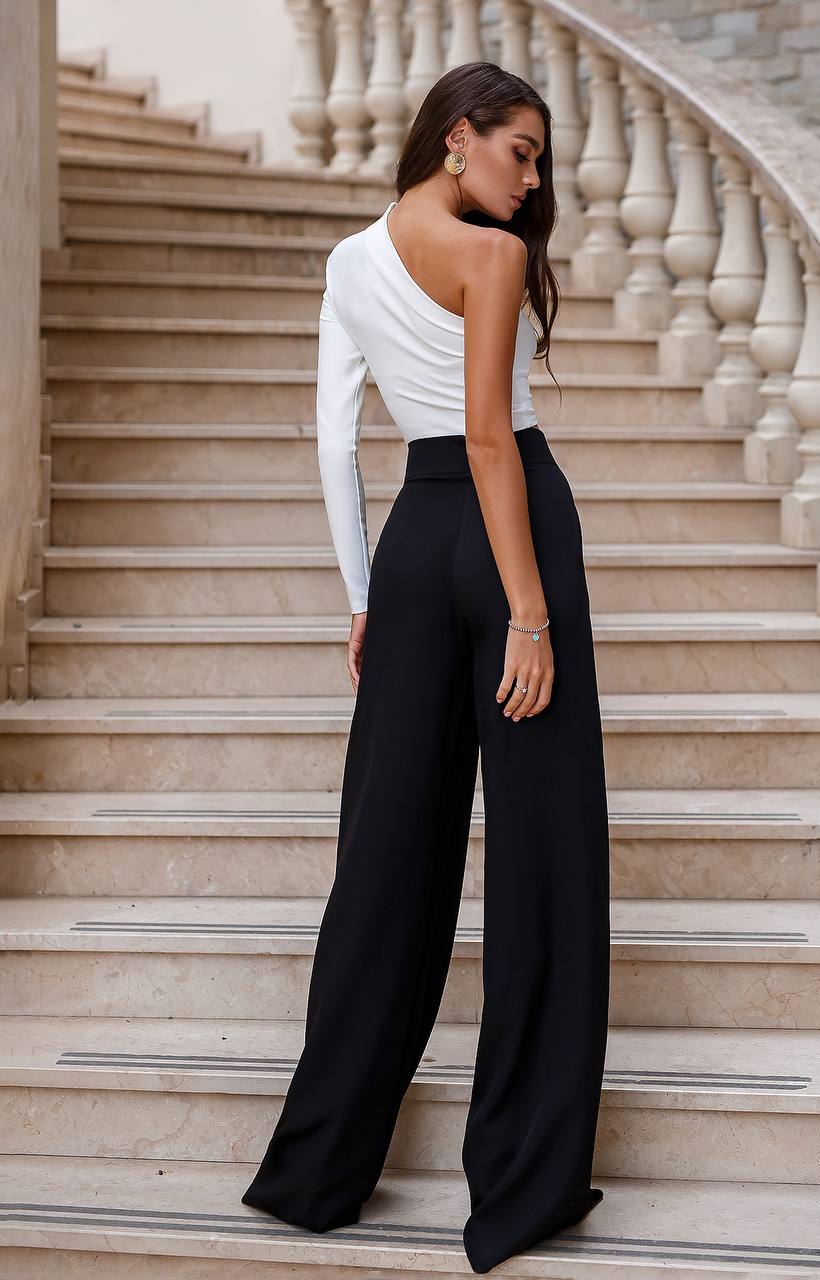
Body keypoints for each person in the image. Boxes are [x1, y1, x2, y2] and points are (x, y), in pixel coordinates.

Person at [240, 60, 611, 1275]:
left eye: (539, 159)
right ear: (458, 137)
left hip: (411, 545)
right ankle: (523, 1179)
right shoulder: (490, 257)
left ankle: (317, 1167)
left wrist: (364, 596)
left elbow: (333, 440)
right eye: (521, 150)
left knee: (385, 855)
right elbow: (494, 436)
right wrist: (529, 613)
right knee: (546, 860)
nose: (532, 178)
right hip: (511, 534)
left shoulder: (350, 259)